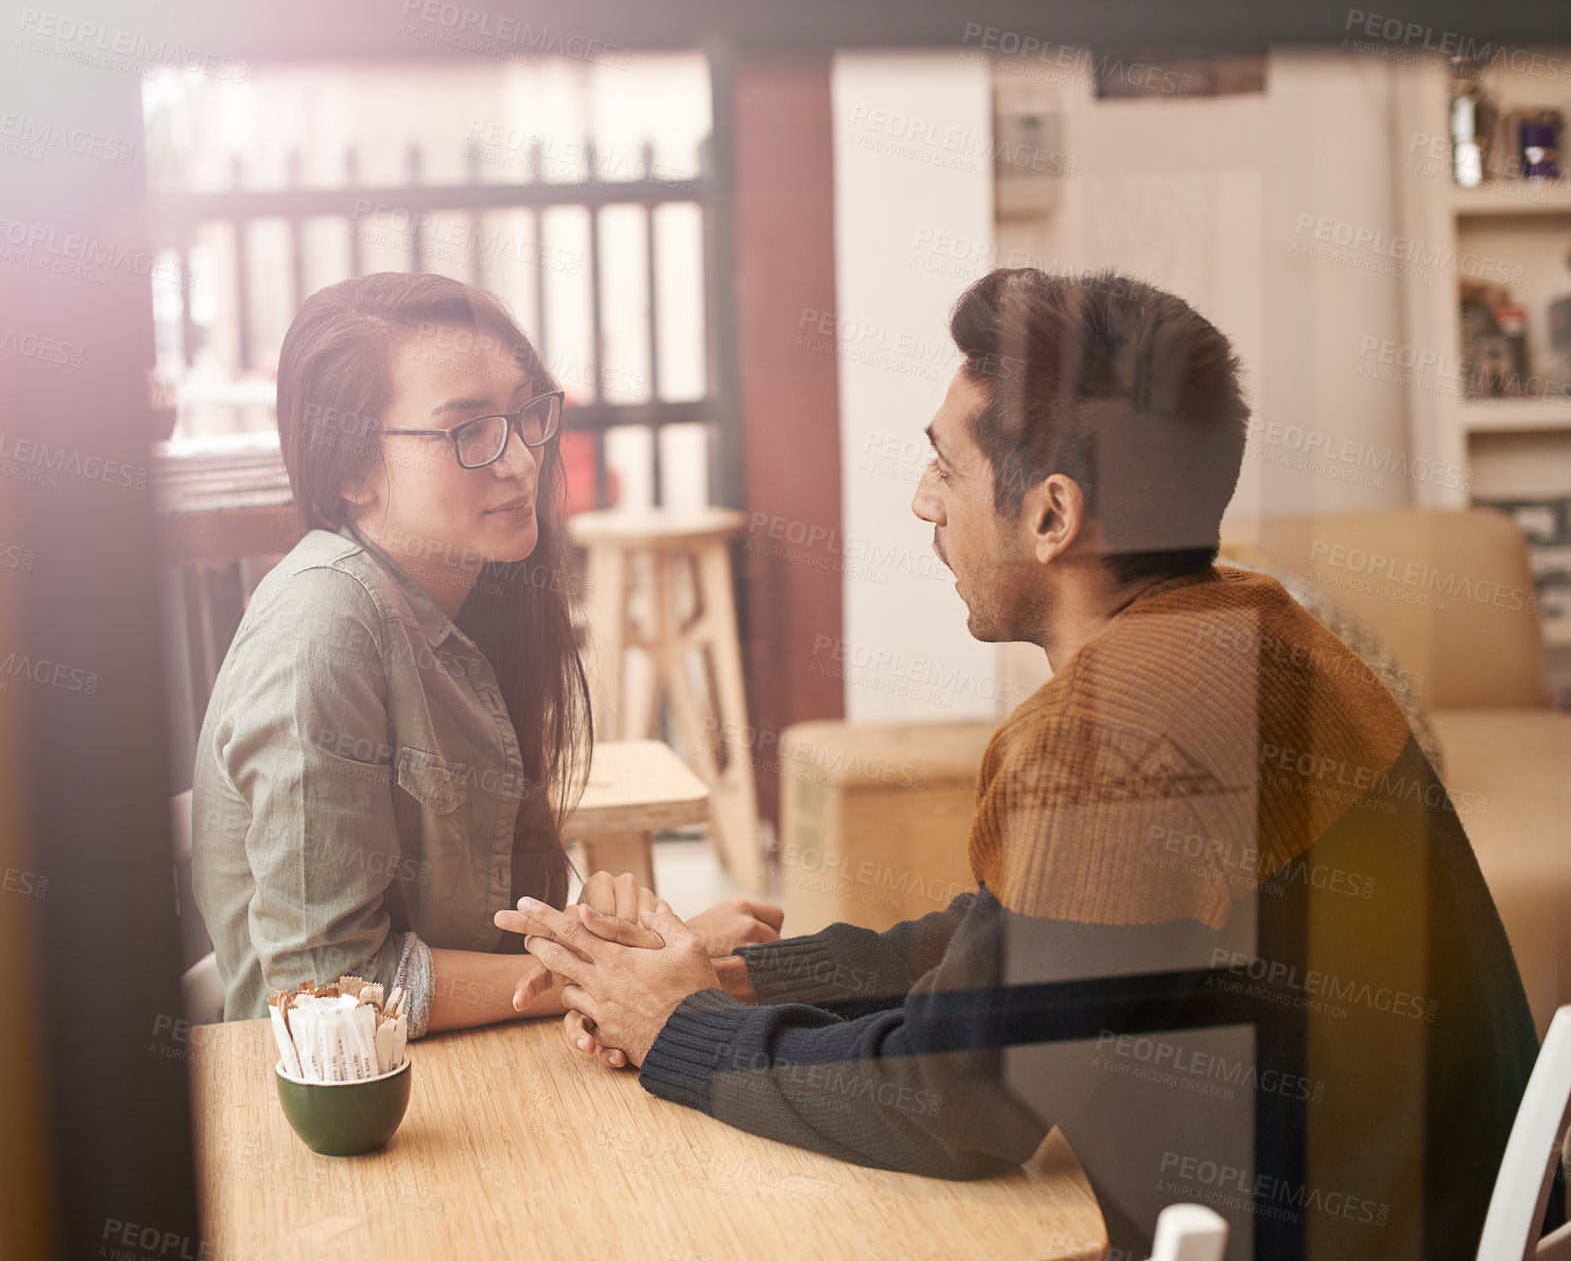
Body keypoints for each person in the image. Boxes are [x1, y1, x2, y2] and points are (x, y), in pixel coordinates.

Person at [502, 269, 1552, 1260]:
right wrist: (747, 976)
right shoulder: (1259, 629)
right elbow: (1011, 950)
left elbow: (955, 1105)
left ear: (1050, 515)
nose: (924, 504)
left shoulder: (1125, 724)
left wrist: (678, 1031)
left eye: (944, 469)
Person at [192, 271, 778, 1041]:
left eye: (527, 415)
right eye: (467, 431)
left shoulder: (481, 598)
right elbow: (326, 985)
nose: (520, 461)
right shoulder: (324, 626)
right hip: (342, 1105)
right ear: (350, 471)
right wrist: (637, 969)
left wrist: (612, 942)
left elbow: (496, 931)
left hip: (470, 1061)